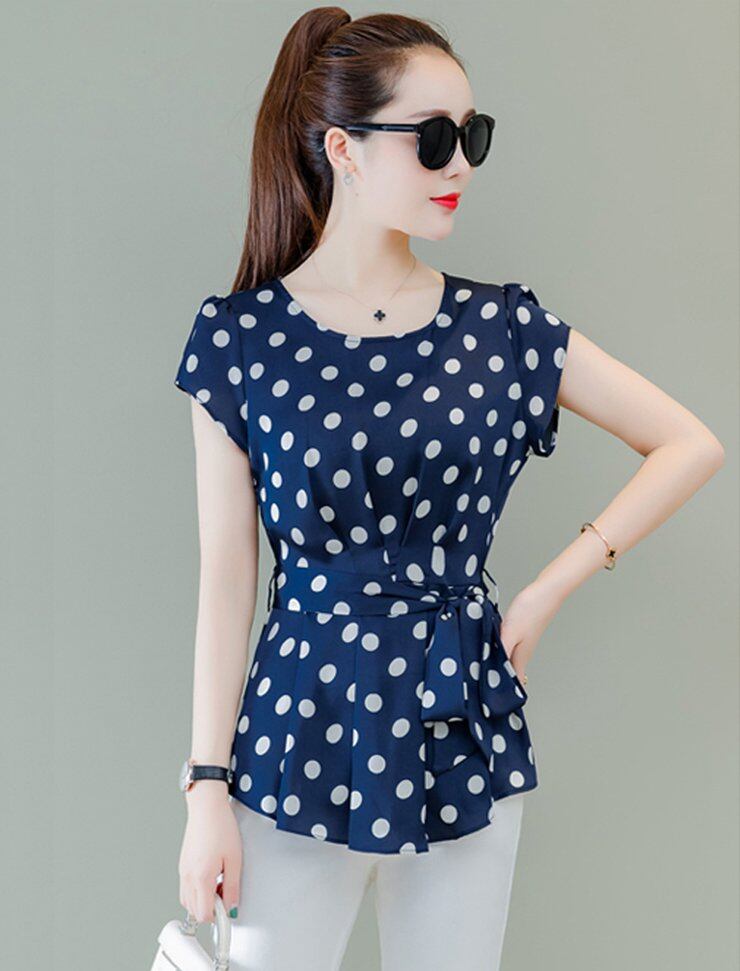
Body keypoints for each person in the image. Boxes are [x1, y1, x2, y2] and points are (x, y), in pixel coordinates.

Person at [171, 8, 724, 971]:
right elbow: (227, 577)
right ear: (343, 148)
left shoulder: (502, 329)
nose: (460, 163)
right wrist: (206, 791)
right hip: (300, 727)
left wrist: (547, 590)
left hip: (461, 717)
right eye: (432, 139)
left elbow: (690, 443)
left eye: (473, 136)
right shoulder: (240, 339)